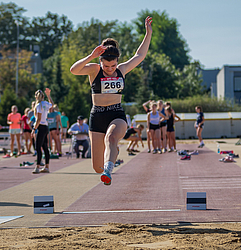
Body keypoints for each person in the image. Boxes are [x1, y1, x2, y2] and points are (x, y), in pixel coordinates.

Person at [70, 16, 152, 185]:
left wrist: (148, 33)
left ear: (117, 62)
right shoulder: (94, 70)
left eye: (113, 66)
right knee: (96, 167)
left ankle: (109, 170)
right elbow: (74, 70)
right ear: (101, 62)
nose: (109, 69)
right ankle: (107, 164)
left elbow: (140, 55)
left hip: (116, 113)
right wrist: (90, 56)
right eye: (106, 66)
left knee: (111, 138)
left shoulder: (122, 69)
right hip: (97, 116)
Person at [33, 88, 55, 174]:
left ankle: (37, 166)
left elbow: (38, 119)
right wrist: (48, 95)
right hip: (45, 126)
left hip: (40, 127)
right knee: (45, 147)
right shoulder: (45, 103)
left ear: (36, 97)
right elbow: (52, 105)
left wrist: (34, 129)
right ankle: (47, 166)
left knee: (38, 147)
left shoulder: (38, 106)